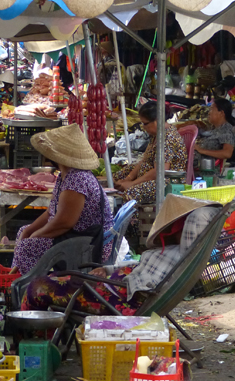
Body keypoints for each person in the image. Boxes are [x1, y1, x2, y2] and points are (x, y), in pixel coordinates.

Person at [21, 195, 220, 314]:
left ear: (187, 230)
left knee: (37, 286)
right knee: (54, 278)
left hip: (116, 297)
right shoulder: (179, 256)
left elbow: (139, 287)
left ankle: (32, 349)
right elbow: (139, 269)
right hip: (114, 287)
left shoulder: (178, 258)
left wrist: (103, 279)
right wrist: (109, 269)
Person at [11, 124, 113, 275]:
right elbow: (51, 212)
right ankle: (15, 279)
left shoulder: (77, 179)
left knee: (28, 246)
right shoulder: (65, 176)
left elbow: (64, 222)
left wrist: (35, 236)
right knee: (23, 232)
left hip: (87, 242)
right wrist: (29, 231)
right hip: (76, 235)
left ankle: (33, 290)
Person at [114, 102, 187, 204]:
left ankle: (134, 220)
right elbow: (143, 161)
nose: (143, 127)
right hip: (151, 177)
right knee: (116, 178)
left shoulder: (168, 138)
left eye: (145, 123)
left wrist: (132, 184)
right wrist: (127, 179)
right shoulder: (155, 136)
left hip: (167, 182)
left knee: (130, 193)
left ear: (156, 121)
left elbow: (159, 171)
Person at [194, 98, 235, 164]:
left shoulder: (226, 130)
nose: (209, 112)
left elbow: (227, 153)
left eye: (212, 109)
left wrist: (200, 150)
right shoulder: (215, 128)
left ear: (221, 113)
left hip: (207, 169)